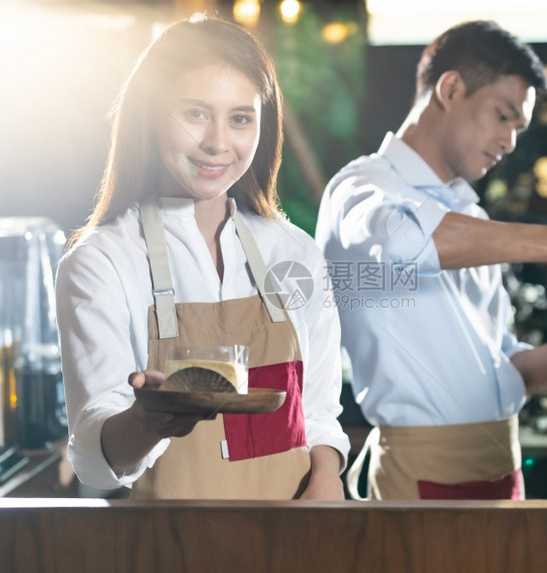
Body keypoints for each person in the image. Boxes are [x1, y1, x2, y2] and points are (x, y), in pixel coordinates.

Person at [314, 20, 547, 500]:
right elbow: (407, 242)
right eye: (502, 115)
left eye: (519, 126)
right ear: (450, 88)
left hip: (503, 469)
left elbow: (499, 369)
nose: (510, 142)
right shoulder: (361, 188)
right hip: (421, 475)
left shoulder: (468, 211)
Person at [56, 14, 349, 500]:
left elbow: (318, 416)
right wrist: (148, 421)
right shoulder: (100, 262)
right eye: (195, 113)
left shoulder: (294, 251)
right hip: (170, 552)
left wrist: (326, 480)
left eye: (240, 118)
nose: (218, 142)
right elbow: (96, 459)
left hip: (298, 545)